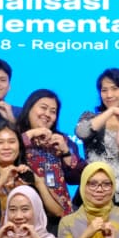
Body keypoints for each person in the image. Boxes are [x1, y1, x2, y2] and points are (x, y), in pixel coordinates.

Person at [76, 69, 119, 218]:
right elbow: (82, 132)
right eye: (104, 90)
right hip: (92, 194)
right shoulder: (90, 117)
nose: (109, 95)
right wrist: (112, 110)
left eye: (114, 88)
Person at [17, 88, 83, 225]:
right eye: (43, 108)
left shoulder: (62, 140)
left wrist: (66, 152)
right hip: (25, 213)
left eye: (53, 111)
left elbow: (78, 177)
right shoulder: (14, 134)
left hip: (60, 215)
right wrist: (31, 134)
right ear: (29, 108)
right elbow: (2, 152)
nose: (47, 114)